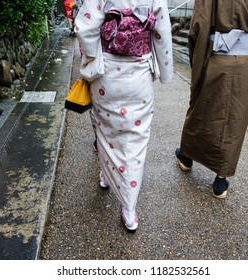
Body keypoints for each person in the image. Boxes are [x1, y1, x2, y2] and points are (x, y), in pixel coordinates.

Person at [74, 0, 173, 232]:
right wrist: (165, 71)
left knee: (107, 132)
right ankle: (129, 211)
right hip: (139, 74)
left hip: (106, 74)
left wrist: (94, 57)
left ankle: (107, 178)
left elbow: (85, 27)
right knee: (135, 140)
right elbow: (162, 31)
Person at [175, 0, 248, 198]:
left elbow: (199, 24)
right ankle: (220, 180)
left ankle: (186, 156)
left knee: (201, 111)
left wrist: (198, 61)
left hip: (215, 60)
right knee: (234, 121)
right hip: (245, 64)